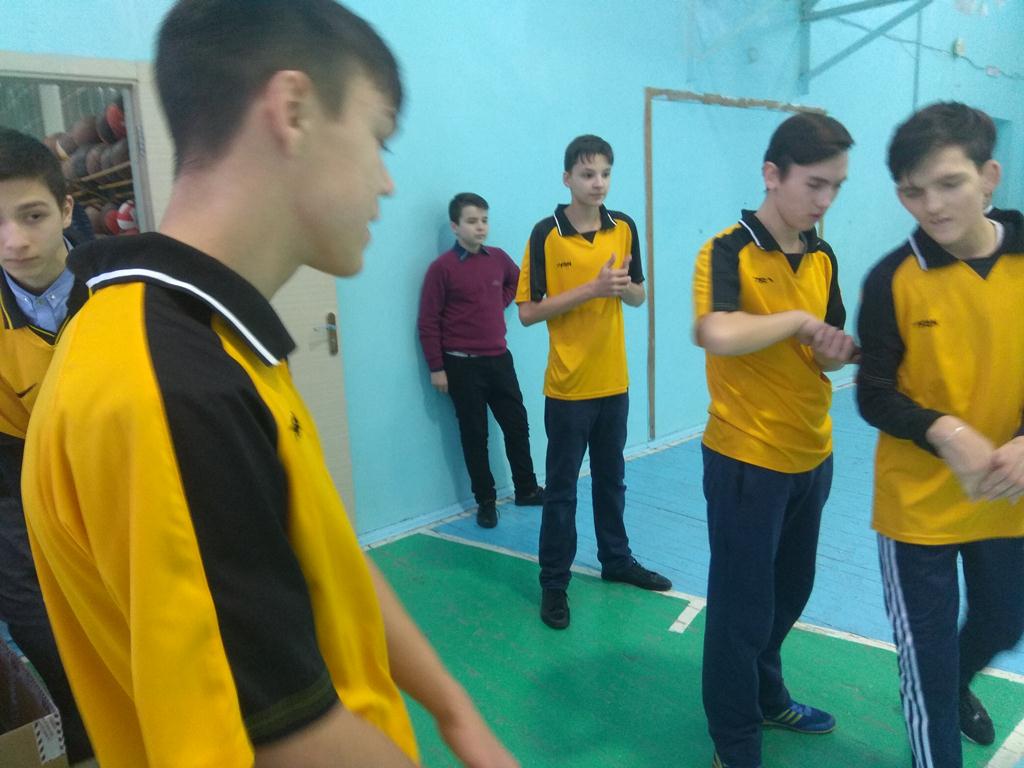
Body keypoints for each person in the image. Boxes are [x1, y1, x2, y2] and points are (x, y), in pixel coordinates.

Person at [20, 2, 519, 767]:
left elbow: (326, 558)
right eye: (378, 139)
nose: (387, 182)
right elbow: (286, 739)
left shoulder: (211, 340)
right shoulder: (169, 387)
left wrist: (455, 712)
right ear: (293, 110)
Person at [856, 101, 1024, 768]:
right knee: (923, 668)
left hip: (1005, 496)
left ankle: (956, 681)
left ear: (989, 176)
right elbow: (873, 393)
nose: (932, 205)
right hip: (917, 508)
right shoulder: (891, 279)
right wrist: (943, 429)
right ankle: (938, 698)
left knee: (1005, 619)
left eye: (949, 183)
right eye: (913, 191)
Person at [692, 112, 858, 768]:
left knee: (789, 593)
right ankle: (734, 744)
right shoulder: (727, 250)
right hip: (745, 458)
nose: (826, 200)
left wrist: (837, 350)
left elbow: (825, 351)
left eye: (837, 187)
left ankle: (765, 696)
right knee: (741, 611)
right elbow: (715, 332)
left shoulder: (823, 255)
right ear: (772, 174)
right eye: (815, 184)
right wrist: (794, 321)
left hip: (812, 454)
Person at [516, 134, 672, 631]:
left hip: (613, 383)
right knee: (561, 491)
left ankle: (616, 560)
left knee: (612, 479)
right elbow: (527, 313)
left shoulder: (623, 227)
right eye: (587, 174)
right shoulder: (546, 234)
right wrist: (592, 288)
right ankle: (554, 584)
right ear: (567, 179)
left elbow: (640, 295)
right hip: (568, 389)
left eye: (605, 173)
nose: (598, 182)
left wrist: (622, 290)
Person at [0, 127, 93, 763]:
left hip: (116, 477)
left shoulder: (125, 291)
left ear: (65, 209)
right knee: (36, 617)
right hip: (17, 481)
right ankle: (84, 740)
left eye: (32, 215)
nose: (14, 241)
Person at [417, 193, 543, 528]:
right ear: (455, 226)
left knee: (517, 426)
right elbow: (428, 321)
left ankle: (527, 489)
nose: (480, 227)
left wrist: (500, 301)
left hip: (499, 360)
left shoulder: (498, 259)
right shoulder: (442, 269)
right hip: (461, 366)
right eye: (472, 221)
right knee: (475, 436)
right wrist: (436, 368)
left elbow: (517, 280)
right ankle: (485, 501)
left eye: (484, 220)